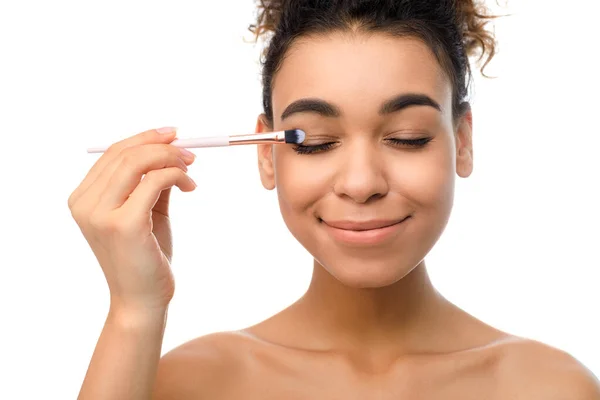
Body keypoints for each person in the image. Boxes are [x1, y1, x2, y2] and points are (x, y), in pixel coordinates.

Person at [70, 0, 600, 399]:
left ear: (462, 141)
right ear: (266, 153)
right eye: (316, 141)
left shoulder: (550, 386)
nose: (361, 182)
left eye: (408, 136)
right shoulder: (188, 382)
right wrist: (135, 311)